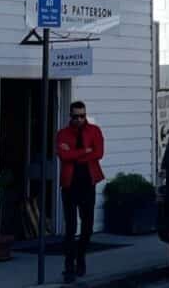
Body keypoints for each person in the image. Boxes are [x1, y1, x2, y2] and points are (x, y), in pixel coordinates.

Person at [56, 101, 105, 283]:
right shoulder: (63, 134)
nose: (79, 120)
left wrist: (75, 153)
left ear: (86, 115)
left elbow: (98, 153)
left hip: (88, 183)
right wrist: (85, 150)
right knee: (70, 227)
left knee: (87, 226)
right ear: (70, 116)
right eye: (75, 116)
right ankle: (69, 266)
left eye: (82, 116)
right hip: (69, 185)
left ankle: (81, 257)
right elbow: (63, 155)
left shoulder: (94, 131)